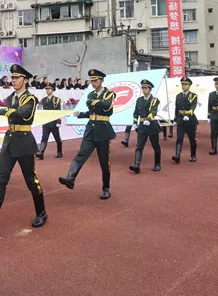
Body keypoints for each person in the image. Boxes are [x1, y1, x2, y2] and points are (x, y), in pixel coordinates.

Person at [0, 64, 46, 234]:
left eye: (17, 78)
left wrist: (4, 110)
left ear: (25, 80)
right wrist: (7, 109)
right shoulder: (10, 98)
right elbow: (13, 112)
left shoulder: (30, 99)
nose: (13, 80)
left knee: (31, 181)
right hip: (9, 141)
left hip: (24, 142)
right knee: (0, 181)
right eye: (12, 78)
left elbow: (24, 114)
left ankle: (41, 213)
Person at [58, 69, 116, 200]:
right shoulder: (91, 94)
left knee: (104, 162)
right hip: (91, 130)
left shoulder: (109, 93)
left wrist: (94, 103)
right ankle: (70, 178)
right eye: (92, 81)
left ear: (101, 80)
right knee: (81, 154)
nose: (94, 83)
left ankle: (106, 188)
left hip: (103, 131)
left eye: (96, 80)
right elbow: (92, 111)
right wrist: (81, 114)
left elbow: (107, 107)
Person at [129, 79, 161, 173]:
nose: (144, 90)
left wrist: (148, 119)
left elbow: (154, 111)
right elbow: (136, 113)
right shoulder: (139, 100)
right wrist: (135, 122)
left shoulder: (154, 100)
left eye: (145, 88)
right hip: (142, 126)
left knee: (155, 146)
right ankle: (136, 165)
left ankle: (157, 164)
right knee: (139, 146)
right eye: (142, 88)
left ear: (150, 89)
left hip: (151, 125)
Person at [172, 77, 198, 164]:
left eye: (185, 84)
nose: (183, 86)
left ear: (189, 85)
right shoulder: (178, 96)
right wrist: (175, 119)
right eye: (182, 84)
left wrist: (187, 115)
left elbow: (193, 106)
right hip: (180, 119)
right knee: (179, 138)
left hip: (190, 120)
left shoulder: (193, 95)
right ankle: (177, 156)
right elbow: (177, 108)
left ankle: (193, 156)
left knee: (192, 139)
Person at [36, 83, 63, 160]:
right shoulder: (44, 99)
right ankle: (41, 152)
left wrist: (58, 122)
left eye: (49, 89)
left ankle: (59, 152)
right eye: (46, 89)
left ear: (53, 90)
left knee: (57, 138)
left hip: (54, 123)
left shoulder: (57, 100)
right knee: (44, 138)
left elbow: (59, 112)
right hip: (46, 122)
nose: (47, 90)